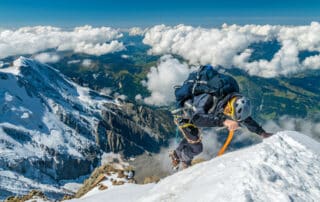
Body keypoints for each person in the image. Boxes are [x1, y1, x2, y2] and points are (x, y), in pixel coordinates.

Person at [170, 65, 272, 169]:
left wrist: (262, 133)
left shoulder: (232, 99)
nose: (228, 115)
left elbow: (244, 118)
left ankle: (177, 154)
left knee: (192, 137)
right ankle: (184, 162)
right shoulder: (209, 99)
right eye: (230, 114)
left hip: (198, 113)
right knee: (197, 147)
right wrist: (224, 121)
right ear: (230, 106)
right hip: (185, 115)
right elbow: (197, 120)